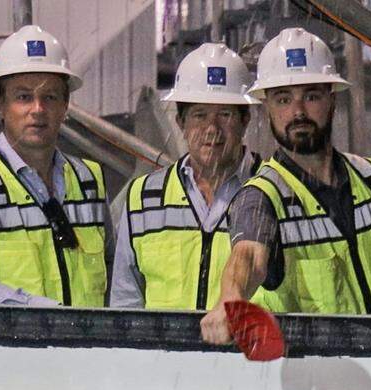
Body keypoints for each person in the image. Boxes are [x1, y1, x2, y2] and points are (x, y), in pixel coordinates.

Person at [200, 28, 371, 344]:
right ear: (267, 107)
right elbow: (248, 257)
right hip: (311, 378)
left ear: (331, 99)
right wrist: (230, 302)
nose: (298, 112)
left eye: (311, 95)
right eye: (283, 99)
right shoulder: (262, 197)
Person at [0, 25, 109, 306]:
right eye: (23, 97)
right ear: (0, 104)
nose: (37, 109)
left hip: (89, 349)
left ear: (65, 106)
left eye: (50, 97)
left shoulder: (88, 180)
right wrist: (42, 312)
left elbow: (112, 276)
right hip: (10, 350)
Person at [110, 43, 262, 309]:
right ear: (180, 122)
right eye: (199, 115)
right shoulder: (144, 199)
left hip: (244, 350)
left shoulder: (271, 191)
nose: (211, 129)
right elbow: (126, 301)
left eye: (225, 115)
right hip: (162, 352)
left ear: (245, 120)